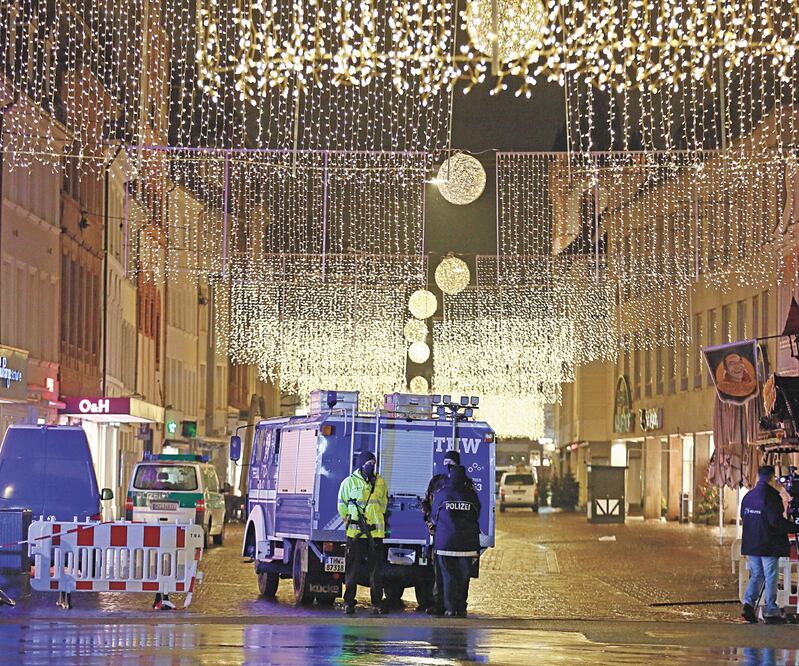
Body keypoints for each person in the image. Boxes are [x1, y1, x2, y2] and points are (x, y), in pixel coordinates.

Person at [740, 465, 797, 624]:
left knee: (757, 574)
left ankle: (748, 605)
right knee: (770, 575)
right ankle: (771, 610)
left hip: (752, 543)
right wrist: (794, 527)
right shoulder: (772, 496)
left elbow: (743, 517)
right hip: (767, 544)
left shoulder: (748, 496)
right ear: (772, 478)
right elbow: (776, 522)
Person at [422, 450, 473, 614]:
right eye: (446, 463)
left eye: (451, 463)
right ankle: (440, 605)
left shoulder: (466, 484)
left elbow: (473, 509)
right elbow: (428, 503)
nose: (448, 466)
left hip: (457, 536)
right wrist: (429, 520)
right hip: (440, 535)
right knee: (439, 573)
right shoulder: (436, 481)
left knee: (460, 575)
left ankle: (458, 605)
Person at [337, 450, 388, 615]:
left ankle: (377, 603)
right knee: (352, 570)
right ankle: (349, 602)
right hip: (355, 534)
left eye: (373, 463)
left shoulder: (380, 482)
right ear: (361, 464)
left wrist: (375, 517)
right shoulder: (349, 482)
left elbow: (383, 504)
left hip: (375, 534)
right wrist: (349, 518)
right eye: (368, 463)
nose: (371, 466)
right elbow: (341, 504)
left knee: (376, 571)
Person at [430, 464, 481, 617]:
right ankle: (461, 606)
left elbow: (434, 516)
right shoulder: (471, 495)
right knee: (463, 577)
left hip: (445, 543)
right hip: (467, 544)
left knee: (448, 576)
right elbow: (477, 513)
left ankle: (450, 608)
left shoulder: (441, 493)